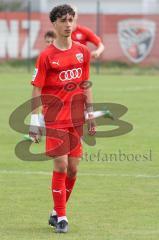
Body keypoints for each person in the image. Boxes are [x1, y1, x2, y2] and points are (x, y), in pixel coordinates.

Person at [29, 4, 96, 233]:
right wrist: (35, 121)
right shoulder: (46, 56)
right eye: (63, 21)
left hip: (77, 118)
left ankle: (56, 211)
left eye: (71, 20)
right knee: (61, 164)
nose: (68, 24)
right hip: (55, 118)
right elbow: (37, 89)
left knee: (73, 169)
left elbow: (85, 84)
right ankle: (63, 218)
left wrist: (90, 113)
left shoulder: (82, 52)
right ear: (54, 24)